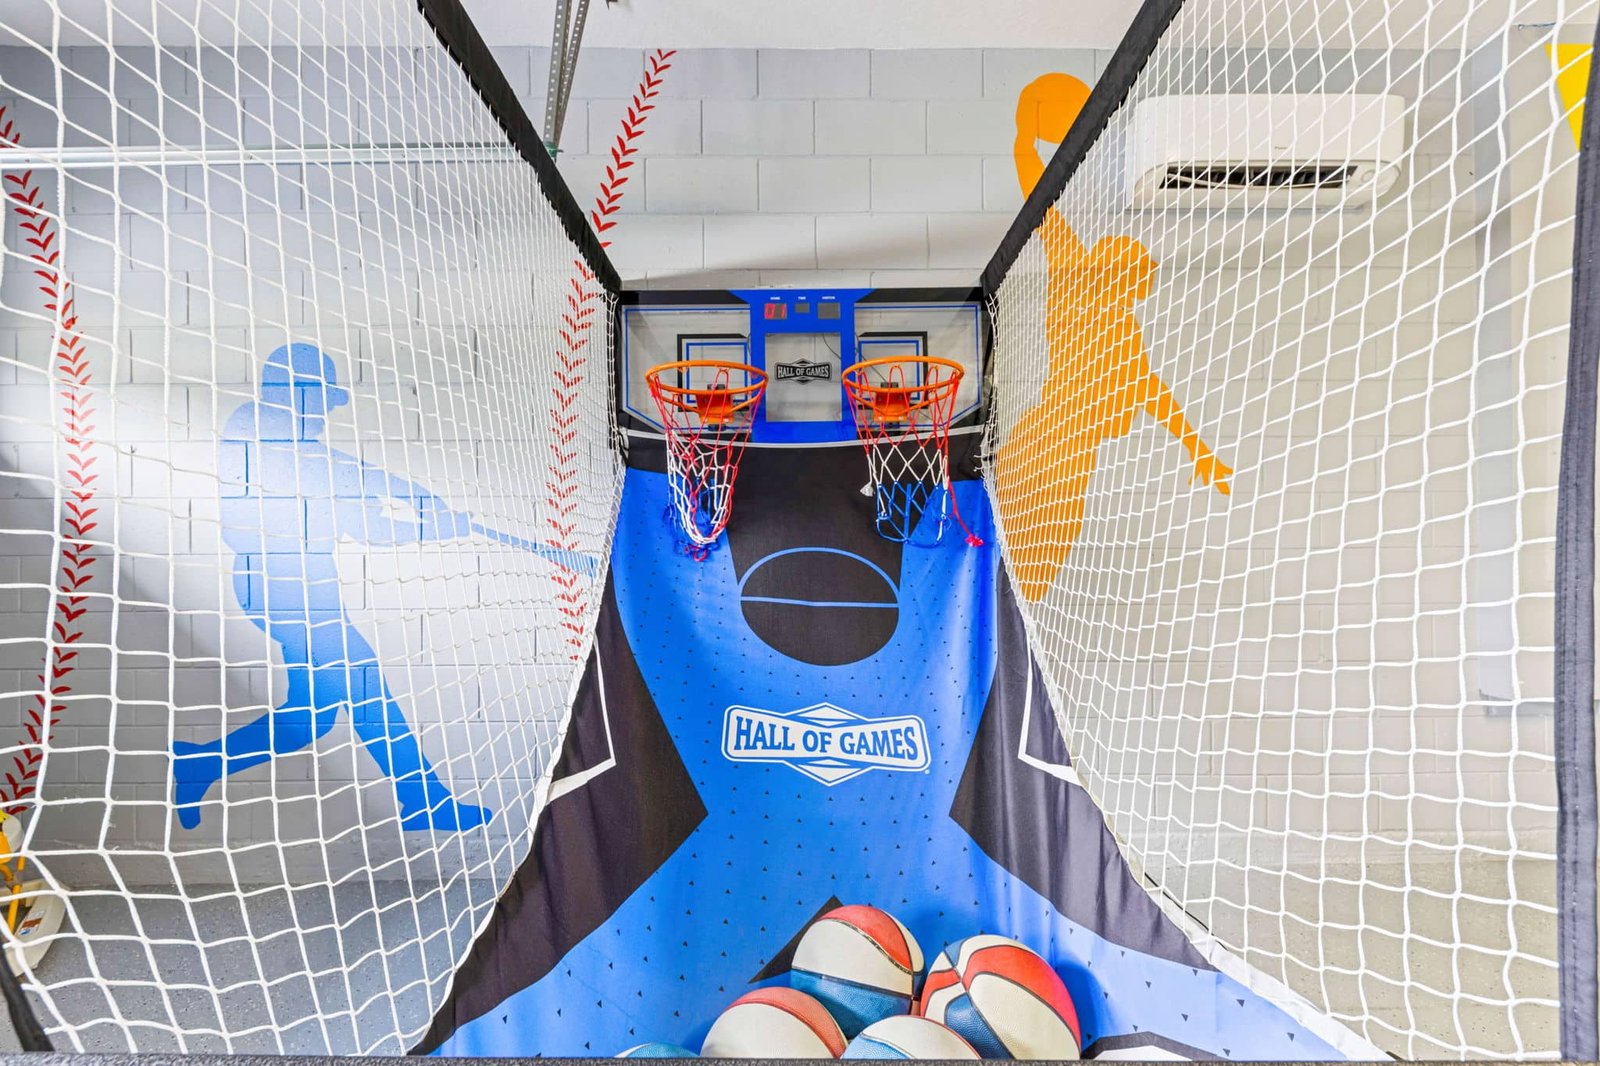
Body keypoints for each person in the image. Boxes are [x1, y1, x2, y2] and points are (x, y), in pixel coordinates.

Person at [172, 343, 493, 831]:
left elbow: (354, 486)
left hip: (308, 587)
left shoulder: (301, 448)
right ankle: (424, 801)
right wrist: (426, 521)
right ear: (293, 391)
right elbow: (353, 501)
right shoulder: (258, 427)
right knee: (364, 681)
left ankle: (199, 765)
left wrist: (424, 508)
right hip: (279, 585)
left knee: (308, 718)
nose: (325, 412)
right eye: (320, 398)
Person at [995, 73, 1232, 602]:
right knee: (1012, 558)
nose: (1135, 279)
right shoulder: (1074, 276)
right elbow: (1040, 201)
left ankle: (1009, 627)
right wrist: (1025, 136)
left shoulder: (1123, 331)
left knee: (1033, 574)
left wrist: (1199, 451)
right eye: (1129, 266)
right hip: (1046, 441)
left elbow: (1153, 392)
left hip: (1073, 458)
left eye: (1138, 274)